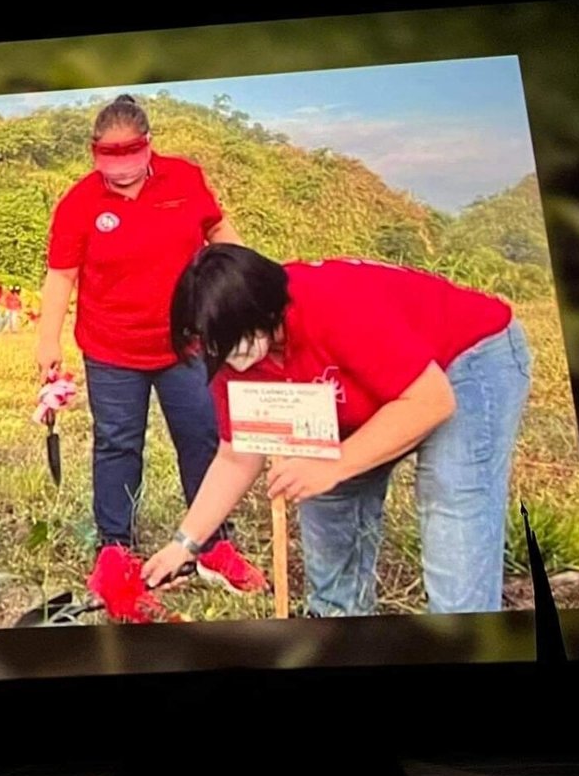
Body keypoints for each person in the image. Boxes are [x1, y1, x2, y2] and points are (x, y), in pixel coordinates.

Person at [143, 246, 532, 617]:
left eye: (229, 342)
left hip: (465, 360)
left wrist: (337, 463)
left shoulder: (335, 306)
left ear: (265, 313)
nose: (226, 357)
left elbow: (431, 401)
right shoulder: (226, 350)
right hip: (368, 384)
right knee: (325, 493)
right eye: (213, 346)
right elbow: (237, 454)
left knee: (451, 492)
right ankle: (339, 620)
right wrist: (184, 544)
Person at [36, 93, 262, 609]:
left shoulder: (184, 179)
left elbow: (219, 230)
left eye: (129, 154)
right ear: (94, 153)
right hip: (111, 348)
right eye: (106, 155)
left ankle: (212, 544)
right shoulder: (78, 202)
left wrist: (245, 282)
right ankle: (115, 548)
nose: (119, 165)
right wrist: (47, 340)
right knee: (116, 443)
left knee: (203, 438)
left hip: (187, 343)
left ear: (149, 146)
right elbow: (61, 275)